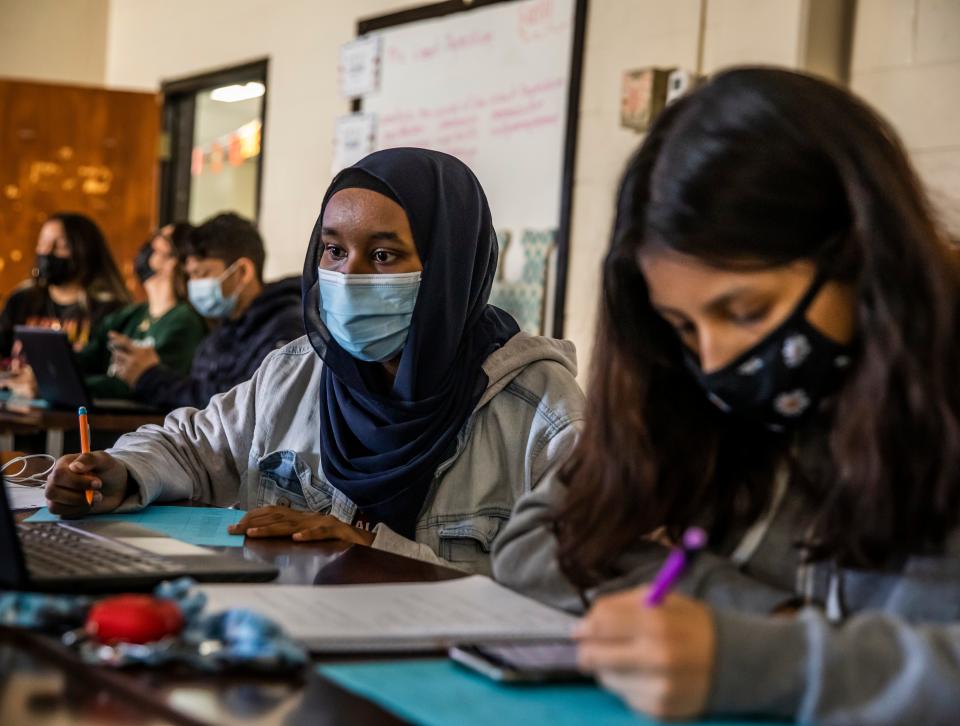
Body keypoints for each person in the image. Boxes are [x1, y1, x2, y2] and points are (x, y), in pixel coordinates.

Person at [492, 68, 960, 722]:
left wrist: (766, 656)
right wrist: (759, 611)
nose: (713, 361)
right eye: (682, 325)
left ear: (859, 256)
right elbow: (536, 542)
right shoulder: (685, 383)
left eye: (746, 312)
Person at [45, 148, 585, 575]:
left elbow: (567, 596)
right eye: (333, 250)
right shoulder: (297, 372)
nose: (347, 277)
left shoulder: (543, 416)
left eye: (382, 255)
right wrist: (122, 471)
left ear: (450, 265)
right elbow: (191, 446)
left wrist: (378, 554)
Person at [109, 212, 304, 410]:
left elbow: (238, 407)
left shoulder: (286, 330)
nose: (193, 285)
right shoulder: (220, 333)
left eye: (201, 274)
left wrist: (151, 377)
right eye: (190, 276)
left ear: (242, 272)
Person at [74, 224, 206, 401]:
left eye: (157, 242)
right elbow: (89, 356)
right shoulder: (131, 314)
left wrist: (78, 387)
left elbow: (143, 382)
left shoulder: (184, 322)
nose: (147, 248)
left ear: (173, 261)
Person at [0, 212, 128, 362]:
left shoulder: (109, 311)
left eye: (60, 246)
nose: (47, 252)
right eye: (43, 243)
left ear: (84, 251)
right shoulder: (22, 300)